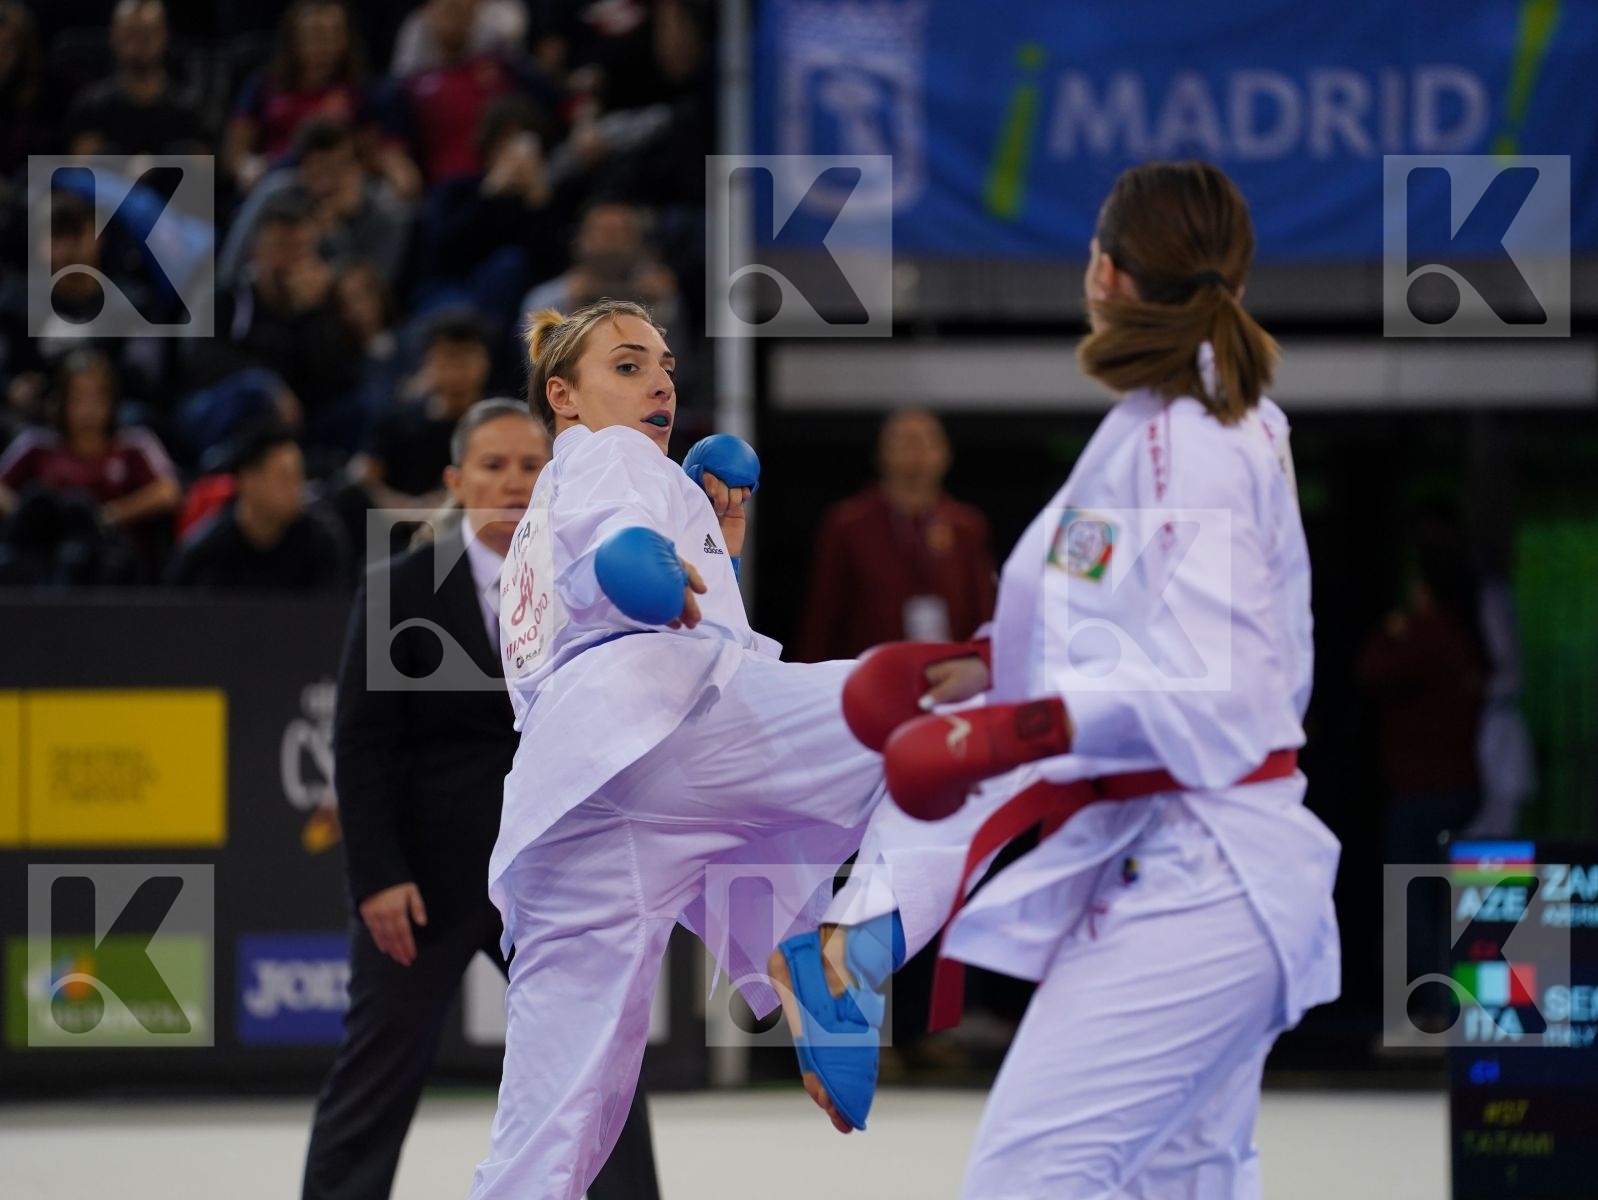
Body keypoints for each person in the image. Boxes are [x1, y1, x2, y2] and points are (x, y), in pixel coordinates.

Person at [773, 161, 1342, 1196]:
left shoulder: (1192, 442)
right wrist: (979, 666)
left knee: (1030, 1181)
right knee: (1182, 1183)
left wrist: (1016, 724)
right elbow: (1117, 628)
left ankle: (861, 939)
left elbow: (1213, 696)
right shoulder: (1166, 427)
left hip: (1201, 870)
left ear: (1102, 273)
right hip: (1183, 858)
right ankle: (861, 939)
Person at [469, 299, 888, 1198]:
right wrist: (639, 559)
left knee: (544, 1140)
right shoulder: (610, 456)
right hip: (662, 732)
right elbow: (617, 557)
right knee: (910, 711)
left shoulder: (538, 523)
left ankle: (798, 947)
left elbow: (632, 592)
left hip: (569, 807)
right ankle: (822, 947)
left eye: (663, 365)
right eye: (626, 365)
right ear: (564, 398)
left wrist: (709, 547)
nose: (658, 380)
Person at [303, 399, 660, 1200]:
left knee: (601, 1067)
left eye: (532, 466)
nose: (513, 482)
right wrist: (378, 876)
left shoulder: (593, 586)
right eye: (494, 466)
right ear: (456, 480)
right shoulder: (402, 585)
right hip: (423, 880)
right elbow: (362, 744)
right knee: (378, 1072)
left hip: (555, 873)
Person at [797, 408, 997, 661]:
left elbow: (983, 612)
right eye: (903, 441)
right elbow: (824, 615)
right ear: (881, 452)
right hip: (868, 672)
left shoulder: (967, 526)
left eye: (925, 441)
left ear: (945, 454)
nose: (915, 453)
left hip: (950, 674)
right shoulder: (848, 524)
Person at [167, 423, 347, 590]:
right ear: (247, 481)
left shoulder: (320, 542)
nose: (297, 487)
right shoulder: (204, 556)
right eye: (285, 477)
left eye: (299, 475)